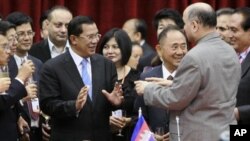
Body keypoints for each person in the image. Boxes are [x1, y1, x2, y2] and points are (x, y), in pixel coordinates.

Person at [134, 2, 241, 141]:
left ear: (195, 25)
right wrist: (173, 84)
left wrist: (148, 89)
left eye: (185, 24)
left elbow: (176, 99)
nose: (184, 29)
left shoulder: (194, 56)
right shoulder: (231, 51)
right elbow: (210, 89)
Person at [39, 16, 123, 141]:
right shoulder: (52, 67)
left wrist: (116, 103)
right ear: (73, 39)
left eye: (97, 36)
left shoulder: (106, 64)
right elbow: (48, 105)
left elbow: (113, 101)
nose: (95, 41)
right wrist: (74, 106)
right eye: (90, 37)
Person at [134, 25, 188, 141]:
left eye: (183, 46)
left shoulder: (191, 77)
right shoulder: (147, 78)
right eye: (174, 47)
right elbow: (139, 117)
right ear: (159, 50)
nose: (180, 52)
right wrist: (150, 136)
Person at [6, 11, 43, 141]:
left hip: (38, 131)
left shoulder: (38, 63)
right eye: (21, 34)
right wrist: (22, 98)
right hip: (14, 131)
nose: (27, 38)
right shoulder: (4, 64)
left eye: (30, 33)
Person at [98, 28, 140, 141]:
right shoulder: (94, 75)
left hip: (129, 135)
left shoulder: (136, 77)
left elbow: (143, 113)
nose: (110, 51)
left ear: (124, 48)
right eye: (106, 47)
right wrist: (105, 120)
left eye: (115, 47)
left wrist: (128, 121)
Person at [0, 20, 35, 141]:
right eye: (5, 45)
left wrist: (18, 117)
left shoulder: (7, 63)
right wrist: (20, 78)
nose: (9, 49)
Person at [228, 7, 250, 124]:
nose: (229, 35)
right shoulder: (225, 55)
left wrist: (239, 113)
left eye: (234, 30)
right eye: (228, 29)